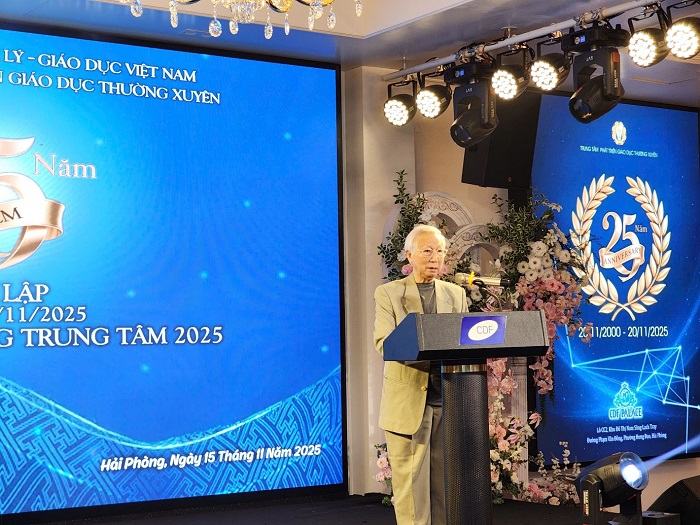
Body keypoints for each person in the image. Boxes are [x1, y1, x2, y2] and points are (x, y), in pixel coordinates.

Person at [373, 224, 468, 525]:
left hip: (447, 402)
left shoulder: (456, 294)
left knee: (445, 491)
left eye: (440, 251)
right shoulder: (389, 293)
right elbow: (384, 343)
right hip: (408, 404)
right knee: (411, 493)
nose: (435, 258)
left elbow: (465, 342)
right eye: (427, 251)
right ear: (410, 255)